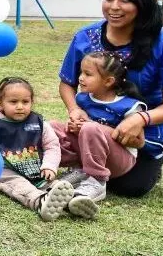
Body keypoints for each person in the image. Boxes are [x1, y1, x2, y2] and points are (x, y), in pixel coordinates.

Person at [58, 0, 163, 197]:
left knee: (129, 187)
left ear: (142, 4)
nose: (114, 6)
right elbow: (67, 84)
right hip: (96, 125)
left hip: (146, 133)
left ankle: (146, 169)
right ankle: (88, 165)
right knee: (48, 140)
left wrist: (140, 118)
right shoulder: (85, 37)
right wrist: (74, 109)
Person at [0, 77, 80, 221]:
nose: (20, 106)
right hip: (5, 169)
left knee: (53, 184)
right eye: (13, 102)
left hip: (35, 167)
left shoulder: (38, 123)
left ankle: (74, 201)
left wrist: (49, 166)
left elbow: (52, 145)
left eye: (25, 102)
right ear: (0, 103)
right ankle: (39, 202)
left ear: (31, 102)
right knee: (19, 185)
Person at [51, 51, 145, 211]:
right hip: (86, 155)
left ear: (108, 81)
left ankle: (97, 182)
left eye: (88, 74)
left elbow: (139, 143)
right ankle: (65, 170)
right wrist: (74, 127)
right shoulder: (82, 98)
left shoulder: (129, 106)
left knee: (90, 128)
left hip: (119, 161)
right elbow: (82, 131)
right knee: (52, 126)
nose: (80, 78)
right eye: (81, 72)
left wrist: (94, 127)